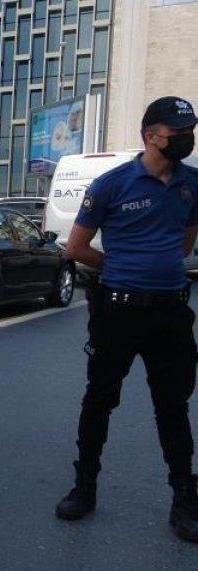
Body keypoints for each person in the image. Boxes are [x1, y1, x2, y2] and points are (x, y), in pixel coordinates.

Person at [55, 96, 198, 543]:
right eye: (178, 132)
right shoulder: (112, 184)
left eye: (189, 130)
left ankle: (184, 501)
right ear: (150, 134)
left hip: (172, 311)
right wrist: (121, 268)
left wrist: (156, 266)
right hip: (119, 310)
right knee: (99, 400)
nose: (186, 138)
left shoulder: (193, 184)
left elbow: (184, 241)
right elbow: (76, 248)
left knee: (173, 407)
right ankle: (84, 488)